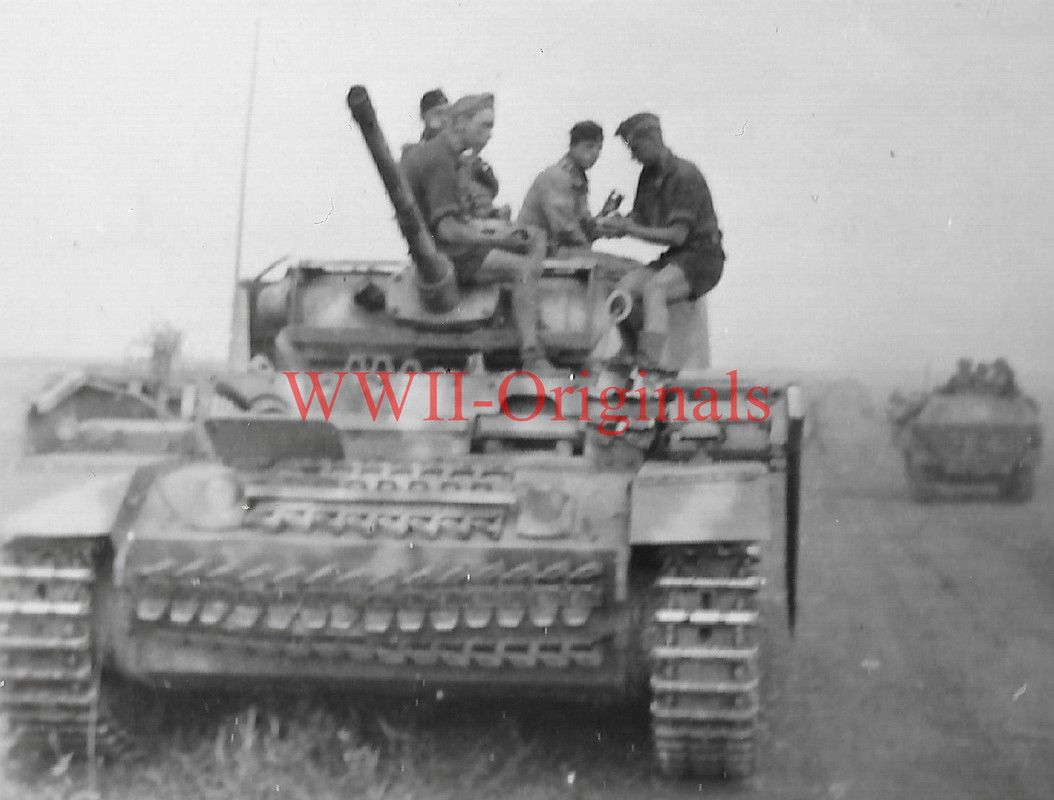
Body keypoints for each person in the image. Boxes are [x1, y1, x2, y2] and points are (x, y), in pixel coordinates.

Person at [400, 93, 551, 370]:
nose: (489, 134)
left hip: (446, 249)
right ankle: (532, 352)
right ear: (460, 124)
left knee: (531, 237)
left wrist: (489, 229)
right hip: (451, 255)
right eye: (484, 126)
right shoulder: (440, 159)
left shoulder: (444, 155)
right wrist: (494, 237)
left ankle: (526, 307)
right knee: (524, 269)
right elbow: (446, 229)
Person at [595, 112, 725, 368]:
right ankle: (630, 351)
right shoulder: (648, 175)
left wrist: (629, 229)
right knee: (624, 287)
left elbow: (677, 235)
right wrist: (614, 226)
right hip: (678, 257)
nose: (633, 156)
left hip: (703, 258)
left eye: (636, 148)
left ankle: (649, 361)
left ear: (654, 139)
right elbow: (641, 220)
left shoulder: (685, 175)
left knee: (655, 288)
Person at [517, 121, 604, 255]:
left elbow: (582, 225)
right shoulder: (557, 176)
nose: (595, 153)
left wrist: (605, 217)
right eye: (589, 146)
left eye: (599, 148)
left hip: (554, 249)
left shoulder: (578, 178)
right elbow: (564, 229)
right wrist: (586, 248)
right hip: (537, 251)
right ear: (573, 146)